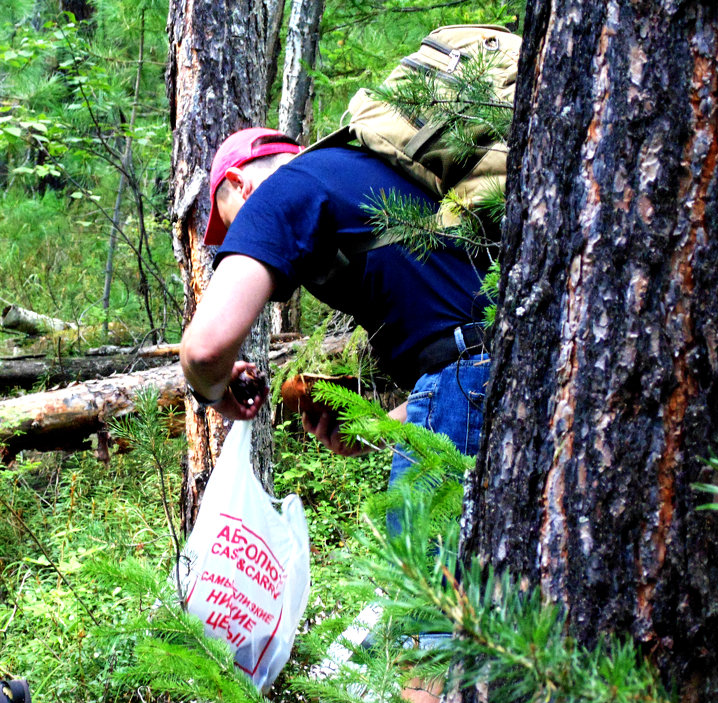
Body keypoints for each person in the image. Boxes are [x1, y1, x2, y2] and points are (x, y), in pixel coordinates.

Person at [180, 126, 490, 466]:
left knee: (426, 522)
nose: (246, 234)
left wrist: (212, 393)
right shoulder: (363, 170)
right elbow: (459, 348)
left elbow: (203, 352)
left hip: (466, 386)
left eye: (236, 223)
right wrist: (380, 429)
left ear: (240, 183)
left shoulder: (281, 187)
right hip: (511, 370)